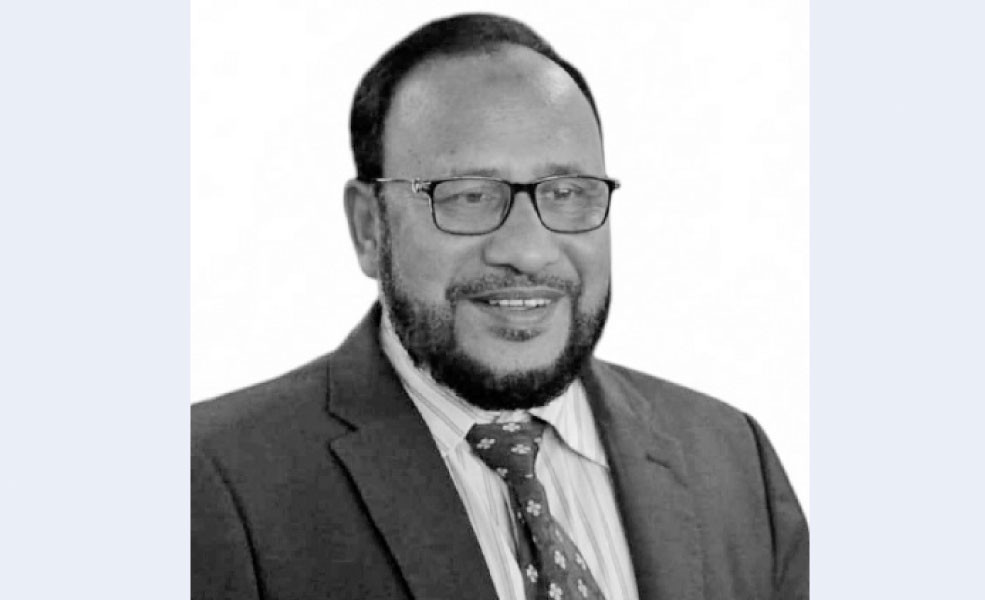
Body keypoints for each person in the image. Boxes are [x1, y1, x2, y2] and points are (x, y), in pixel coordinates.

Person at [192, 12, 808, 600]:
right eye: (467, 196)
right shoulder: (209, 482)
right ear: (369, 228)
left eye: (566, 192)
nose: (527, 250)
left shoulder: (734, 461)